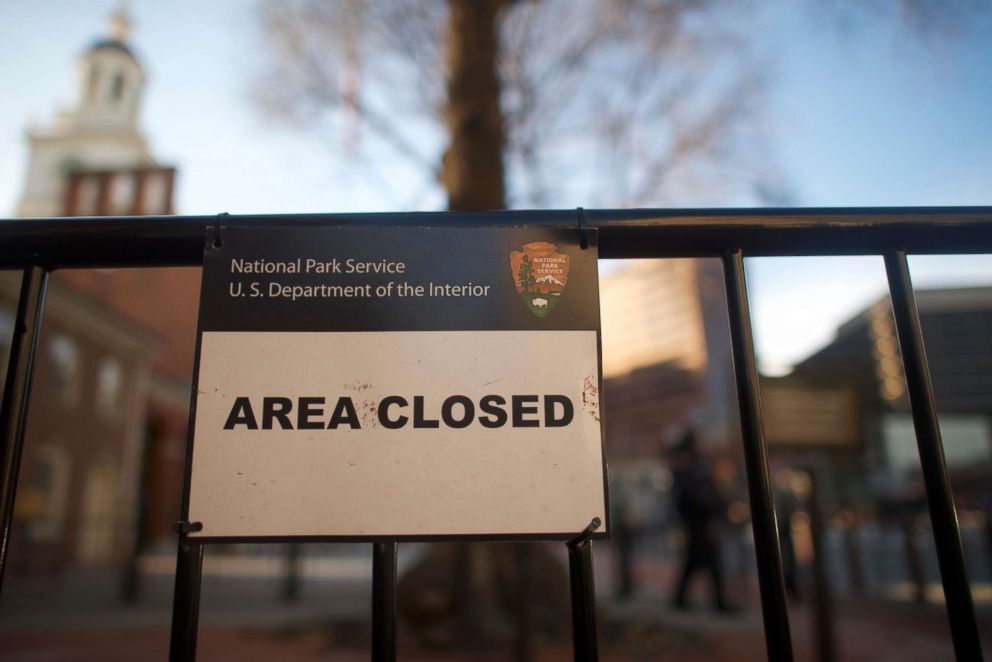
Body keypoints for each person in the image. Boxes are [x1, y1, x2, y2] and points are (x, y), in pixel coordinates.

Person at [669, 429, 735, 612]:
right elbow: (695, 495)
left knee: (696, 563)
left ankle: (682, 599)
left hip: (700, 522)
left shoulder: (693, 465)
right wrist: (716, 507)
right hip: (699, 523)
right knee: (709, 564)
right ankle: (717, 602)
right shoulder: (689, 466)